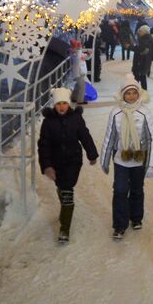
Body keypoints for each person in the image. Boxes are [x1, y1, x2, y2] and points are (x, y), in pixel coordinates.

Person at [37, 87, 99, 243]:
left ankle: (64, 228)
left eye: (64, 103)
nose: (62, 107)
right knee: (62, 188)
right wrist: (47, 165)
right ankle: (65, 206)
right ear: (54, 105)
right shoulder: (48, 122)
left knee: (67, 192)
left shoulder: (76, 119)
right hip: (56, 162)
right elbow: (43, 145)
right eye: (58, 104)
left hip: (73, 161)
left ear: (68, 104)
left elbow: (85, 136)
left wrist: (92, 154)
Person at [100, 80, 153, 239]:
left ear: (139, 94)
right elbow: (110, 137)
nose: (131, 96)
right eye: (128, 93)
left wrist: (151, 164)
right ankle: (119, 225)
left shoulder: (145, 113)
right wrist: (104, 160)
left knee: (137, 189)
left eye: (134, 93)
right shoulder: (115, 113)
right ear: (122, 94)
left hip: (139, 160)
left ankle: (136, 217)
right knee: (119, 190)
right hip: (121, 160)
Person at [66, 40, 89, 104]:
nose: (80, 46)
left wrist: (88, 54)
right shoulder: (74, 53)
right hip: (78, 73)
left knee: (78, 86)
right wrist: (76, 47)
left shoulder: (79, 53)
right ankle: (80, 100)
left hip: (81, 72)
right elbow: (76, 55)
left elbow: (86, 57)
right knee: (82, 86)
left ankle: (74, 97)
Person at [132, 24, 153, 89]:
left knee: (138, 77)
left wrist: (131, 47)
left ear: (144, 32)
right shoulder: (145, 38)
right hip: (143, 61)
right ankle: (142, 91)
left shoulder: (145, 39)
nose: (139, 32)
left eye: (140, 31)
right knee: (142, 77)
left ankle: (138, 91)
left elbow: (141, 49)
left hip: (141, 62)